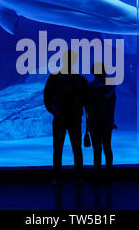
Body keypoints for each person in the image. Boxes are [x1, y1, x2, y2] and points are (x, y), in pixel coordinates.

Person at [44, 50, 87, 187]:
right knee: (63, 149)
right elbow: (47, 97)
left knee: (68, 148)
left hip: (68, 117)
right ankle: (68, 177)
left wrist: (54, 110)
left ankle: (72, 177)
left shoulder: (75, 78)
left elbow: (47, 97)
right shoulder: (75, 78)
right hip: (63, 117)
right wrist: (54, 111)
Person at [85, 62, 116, 182]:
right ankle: (109, 174)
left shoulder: (90, 86)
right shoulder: (110, 84)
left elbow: (87, 107)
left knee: (97, 150)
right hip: (107, 121)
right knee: (107, 148)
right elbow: (112, 102)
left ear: (93, 72)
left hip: (94, 122)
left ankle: (97, 175)